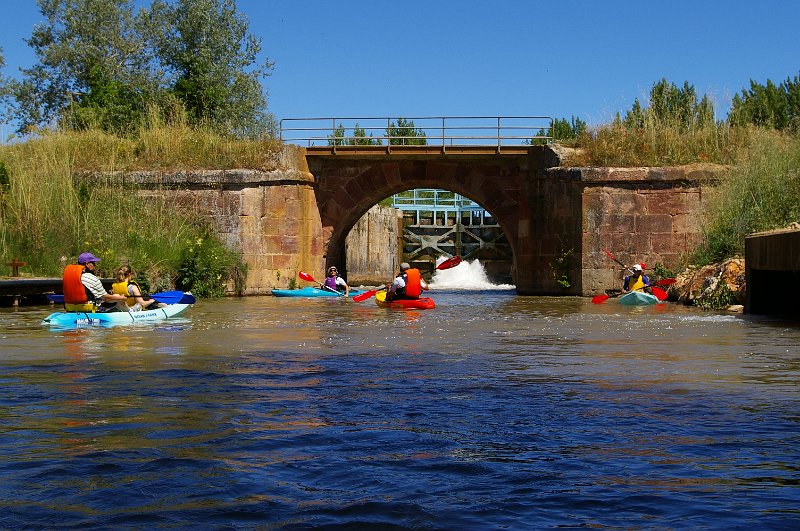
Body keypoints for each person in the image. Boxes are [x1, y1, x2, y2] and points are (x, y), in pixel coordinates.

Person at [62, 252, 127, 312]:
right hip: (86, 308)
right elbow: (106, 298)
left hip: (70, 308)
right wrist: (120, 298)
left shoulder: (72, 276)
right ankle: (130, 312)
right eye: (93, 263)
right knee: (117, 296)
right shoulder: (91, 278)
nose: (94, 266)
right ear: (87, 264)